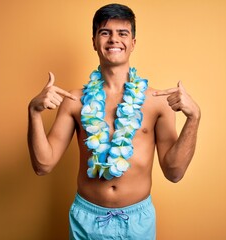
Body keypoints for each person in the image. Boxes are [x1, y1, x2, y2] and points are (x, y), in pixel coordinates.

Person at [28, 3, 200, 240]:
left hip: (137, 221)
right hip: (86, 219)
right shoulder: (74, 100)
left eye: (122, 33)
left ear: (133, 43)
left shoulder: (157, 101)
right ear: (94, 41)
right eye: (105, 32)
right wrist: (34, 113)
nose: (113, 39)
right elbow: (42, 166)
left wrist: (194, 119)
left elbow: (174, 172)